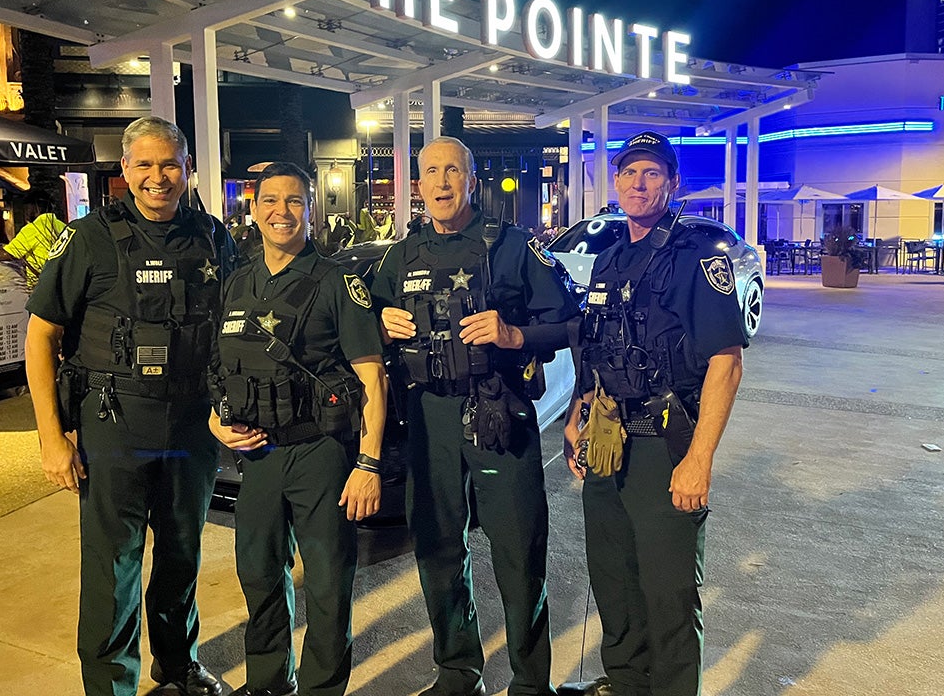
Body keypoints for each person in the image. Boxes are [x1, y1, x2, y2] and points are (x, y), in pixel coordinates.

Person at [24, 116, 236, 696]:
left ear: (188, 169)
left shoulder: (214, 238)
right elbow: (41, 337)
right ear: (124, 171)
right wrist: (51, 436)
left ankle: (178, 664)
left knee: (181, 551)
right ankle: (112, 684)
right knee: (113, 565)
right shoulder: (91, 236)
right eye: (144, 164)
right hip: (113, 422)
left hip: (192, 422)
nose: (158, 177)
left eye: (170, 164)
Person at [371, 137, 580, 696]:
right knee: (438, 544)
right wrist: (382, 323)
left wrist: (514, 335)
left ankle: (531, 681)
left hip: (498, 413)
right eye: (431, 172)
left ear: (471, 181)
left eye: (452, 172)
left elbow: (571, 324)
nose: (441, 183)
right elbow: (366, 327)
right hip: (428, 416)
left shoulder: (513, 247)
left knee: (518, 548)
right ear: (417, 185)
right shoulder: (401, 254)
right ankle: (457, 671)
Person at [561, 131, 746, 696]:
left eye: (651, 173)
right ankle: (625, 683)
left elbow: (726, 362)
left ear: (672, 183)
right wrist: (576, 411)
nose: (638, 184)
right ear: (615, 182)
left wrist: (699, 461)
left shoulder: (698, 259)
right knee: (614, 580)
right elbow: (597, 347)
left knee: (668, 594)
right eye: (628, 173)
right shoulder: (612, 258)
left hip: (666, 447)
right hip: (609, 443)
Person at [209, 162, 386, 696]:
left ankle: (321, 688)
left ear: (311, 209)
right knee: (258, 574)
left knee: (329, 581)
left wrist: (368, 464)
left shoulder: (337, 283)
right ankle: (268, 681)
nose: (280, 212)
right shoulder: (236, 280)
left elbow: (373, 381)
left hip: (320, 453)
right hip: (258, 457)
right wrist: (216, 423)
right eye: (269, 201)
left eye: (293, 202)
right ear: (254, 207)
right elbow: (217, 368)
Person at [0, 188, 67, 286]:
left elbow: (8, 254)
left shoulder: (34, 228)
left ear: (35, 208)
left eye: (27, 208)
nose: (25, 213)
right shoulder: (62, 226)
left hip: (42, 286)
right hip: (62, 282)